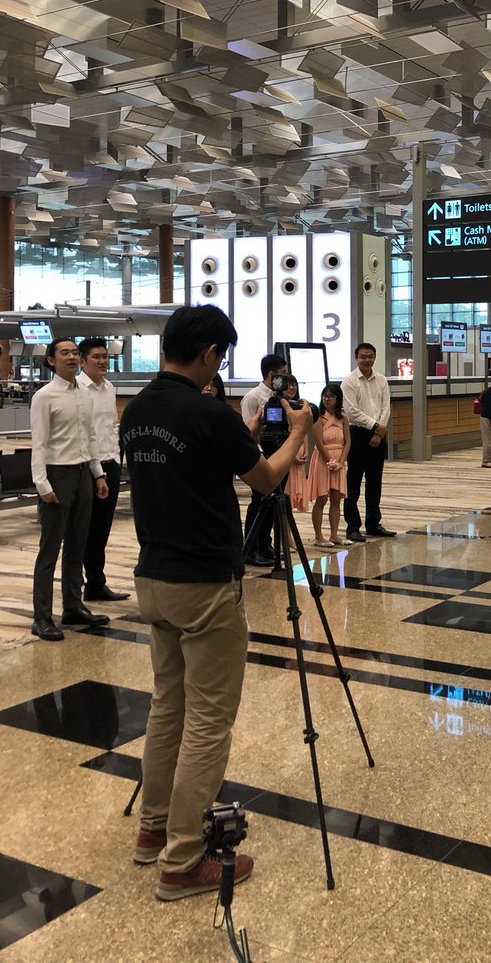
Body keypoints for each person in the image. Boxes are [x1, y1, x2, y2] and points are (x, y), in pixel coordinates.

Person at [120, 305, 312, 901]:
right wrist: (300, 433)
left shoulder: (138, 410)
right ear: (206, 352)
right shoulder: (209, 411)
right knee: (207, 721)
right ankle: (183, 861)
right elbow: (265, 480)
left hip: (153, 576)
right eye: (219, 356)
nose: (219, 367)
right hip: (205, 584)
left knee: (167, 707)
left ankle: (152, 830)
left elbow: (190, 470)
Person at [29, 338, 110, 641]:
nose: (72, 357)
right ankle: (41, 616)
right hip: (57, 475)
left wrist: (98, 473)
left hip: (82, 475)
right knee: (50, 549)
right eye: (65, 353)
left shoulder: (84, 394)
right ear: (51, 360)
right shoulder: (44, 397)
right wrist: (41, 483)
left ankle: (73, 606)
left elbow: (89, 437)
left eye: (75, 352)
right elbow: (38, 443)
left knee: (78, 545)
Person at [77, 337, 128, 603]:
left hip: (111, 463)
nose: (102, 361)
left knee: (102, 528)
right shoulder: (78, 389)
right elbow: (85, 434)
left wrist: (116, 460)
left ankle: (96, 583)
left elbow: (111, 426)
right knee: (83, 528)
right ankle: (79, 586)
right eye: (96, 357)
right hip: (88, 467)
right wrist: (97, 472)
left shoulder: (108, 387)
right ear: (83, 362)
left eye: (105, 356)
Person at [341, 342, 396, 541]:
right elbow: (351, 410)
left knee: (375, 482)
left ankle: (373, 523)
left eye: (370, 356)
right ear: (356, 358)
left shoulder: (381, 380)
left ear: (374, 357)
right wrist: (375, 426)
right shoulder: (349, 381)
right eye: (363, 356)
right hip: (357, 434)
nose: (366, 360)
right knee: (353, 483)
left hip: (377, 435)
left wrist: (379, 432)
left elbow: (385, 407)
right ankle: (352, 527)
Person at [240, 353, 288, 565]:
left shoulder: (282, 397)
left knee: (274, 501)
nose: (285, 378)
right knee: (259, 502)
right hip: (260, 455)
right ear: (272, 374)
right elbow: (247, 431)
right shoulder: (253, 397)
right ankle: (250, 548)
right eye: (283, 374)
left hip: (278, 452)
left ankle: (265, 543)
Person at [308, 383, 350, 547]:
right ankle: (319, 536)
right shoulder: (318, 418)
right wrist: (330, 461)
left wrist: (340, 462)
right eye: (325, 396)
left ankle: (334, 534)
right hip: (322, 460)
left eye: (331, 396)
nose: (327, 399)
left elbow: (348, 443)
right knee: (322, 498)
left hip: (338, 460)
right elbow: (319, 443)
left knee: (335, 498)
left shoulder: (343, 419)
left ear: (337, 399)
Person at [282, 376, 310, 514]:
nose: (292, 388)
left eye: (294, 385)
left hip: (299, 453)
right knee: (285, 496)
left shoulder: (300, 406)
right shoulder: (280, 407)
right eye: (288, 385)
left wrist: (306, 451)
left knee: (293, 499)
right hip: (286, 453)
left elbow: (303, 431)